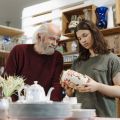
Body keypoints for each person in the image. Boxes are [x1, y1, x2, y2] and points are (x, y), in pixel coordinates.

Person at [61, 20, 120, 117]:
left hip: (104, 116)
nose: (83, 40)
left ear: (94, 33)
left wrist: (97, 86)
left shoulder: (112, 59)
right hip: (80, 116)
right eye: (79, 38)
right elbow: (73, 94)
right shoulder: (77, 62)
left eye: (85, 35)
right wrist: (69, 91)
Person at [2, 23, 64, 101]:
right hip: (19, 105)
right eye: (52, 38)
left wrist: (51, 106)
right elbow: (8, 79)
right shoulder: (19, 51)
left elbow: (57, 84)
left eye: (57, 40)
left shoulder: (57, 57)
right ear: (39, 36)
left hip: (45, 107)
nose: (55, 44)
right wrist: (14, 104)